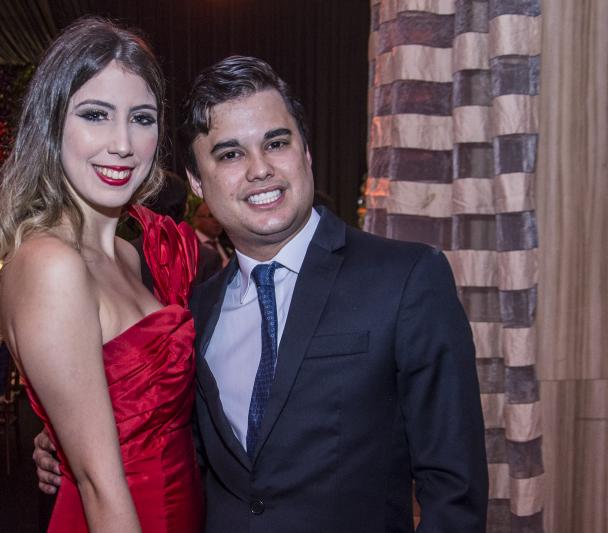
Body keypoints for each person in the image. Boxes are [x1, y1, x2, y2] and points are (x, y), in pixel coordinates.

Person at [34, 55, 488, 532]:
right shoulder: (194, 311)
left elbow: (454, 492)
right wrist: (69, 436)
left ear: (306, 153)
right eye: (230, 154)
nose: (260, 169)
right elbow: (174, 443)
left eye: (276, 143)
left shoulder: (406, 278)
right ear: (197, 181)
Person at [0, 18, 203, 533]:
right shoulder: (50, 263)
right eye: (96, 115)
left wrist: (59, 435)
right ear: (51, 125)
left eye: (141, 118)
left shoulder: (128, 254)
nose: (123, 143)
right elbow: (99, 482)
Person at [192, 201, 233, 267]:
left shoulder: (230, 244)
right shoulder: (189, 245)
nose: (217, 220)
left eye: (219, 217)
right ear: (196, 219)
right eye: (211, 216)